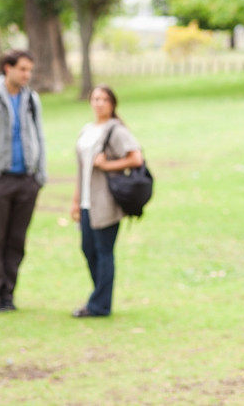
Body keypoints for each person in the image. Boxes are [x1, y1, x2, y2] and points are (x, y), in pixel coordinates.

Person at [0, 50, 46, 313]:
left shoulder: (31, 100)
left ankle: (8, 293)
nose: (27, 74)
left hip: (27, 180)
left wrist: (40, 175)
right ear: (8, 68)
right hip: (0, 182)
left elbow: (40, 136)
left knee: (17, 241)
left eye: (29, 70)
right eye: (23, 69)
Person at [70, 85, 142, 318]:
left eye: (104, 99)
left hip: (106, 201)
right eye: (95, 98)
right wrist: (75, 201)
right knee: (88, 249)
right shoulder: (87, 130)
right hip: (86, 202)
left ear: (112, 103)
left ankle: (99, 305)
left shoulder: (116, 130)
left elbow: (136, 158)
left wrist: (107, 165)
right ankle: (100, 298)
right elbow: (81, 170)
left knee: (103, 251)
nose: (99, 103)